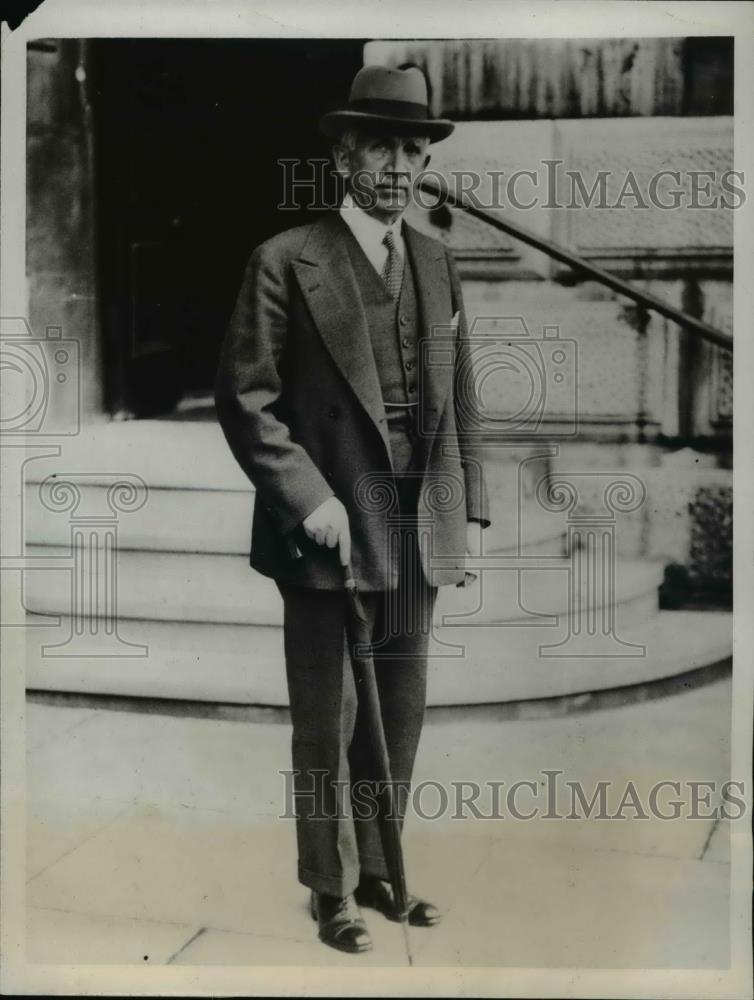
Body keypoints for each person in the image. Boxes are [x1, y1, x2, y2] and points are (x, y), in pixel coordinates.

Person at [215, 64, 490, 955]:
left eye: (413, 149)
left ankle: (384, 871)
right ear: (344, 156)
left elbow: (462, 397)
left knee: (399, 705)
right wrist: (306, 497)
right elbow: (246, 399)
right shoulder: (286, 259)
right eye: (382, 146)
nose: (400, 166)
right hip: (330, 519)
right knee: (327, 717)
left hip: (416, 517)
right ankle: (329, 889)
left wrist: (467, 501)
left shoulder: (439, 262)